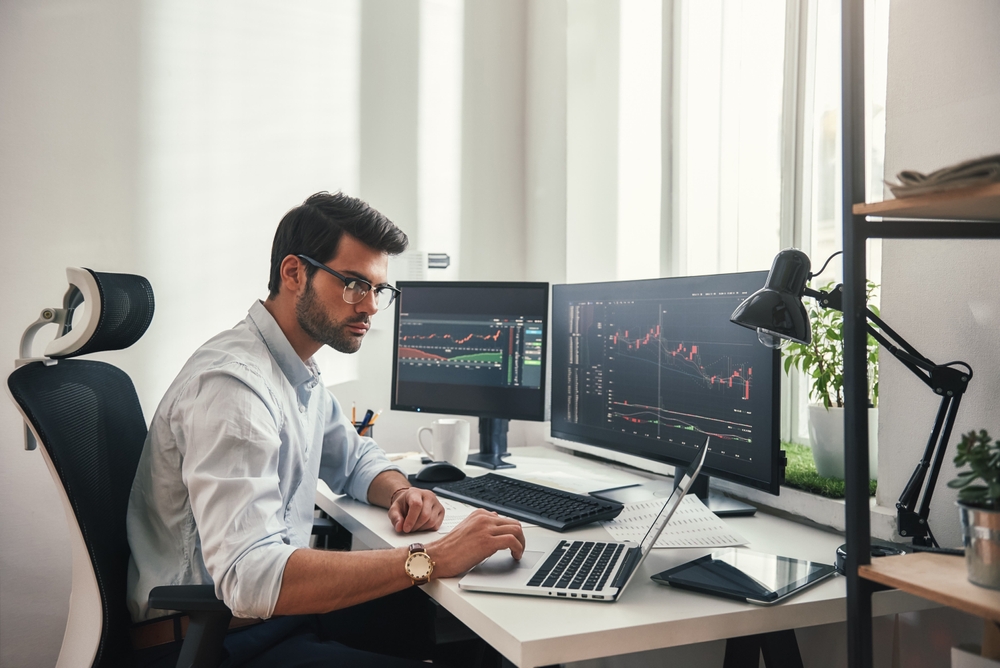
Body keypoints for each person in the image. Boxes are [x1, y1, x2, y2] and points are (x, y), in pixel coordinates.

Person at [126, 192, 525, 667]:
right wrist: (431, 557)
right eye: (356, 284)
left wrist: (400, 492)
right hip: (211, 643)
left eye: (380, 290)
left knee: (457, 631)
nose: (372, 307)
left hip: (269, 621)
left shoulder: (296, 370)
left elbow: (355, 459)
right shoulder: (233, 388)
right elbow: (250, 578)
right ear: (294, 273)